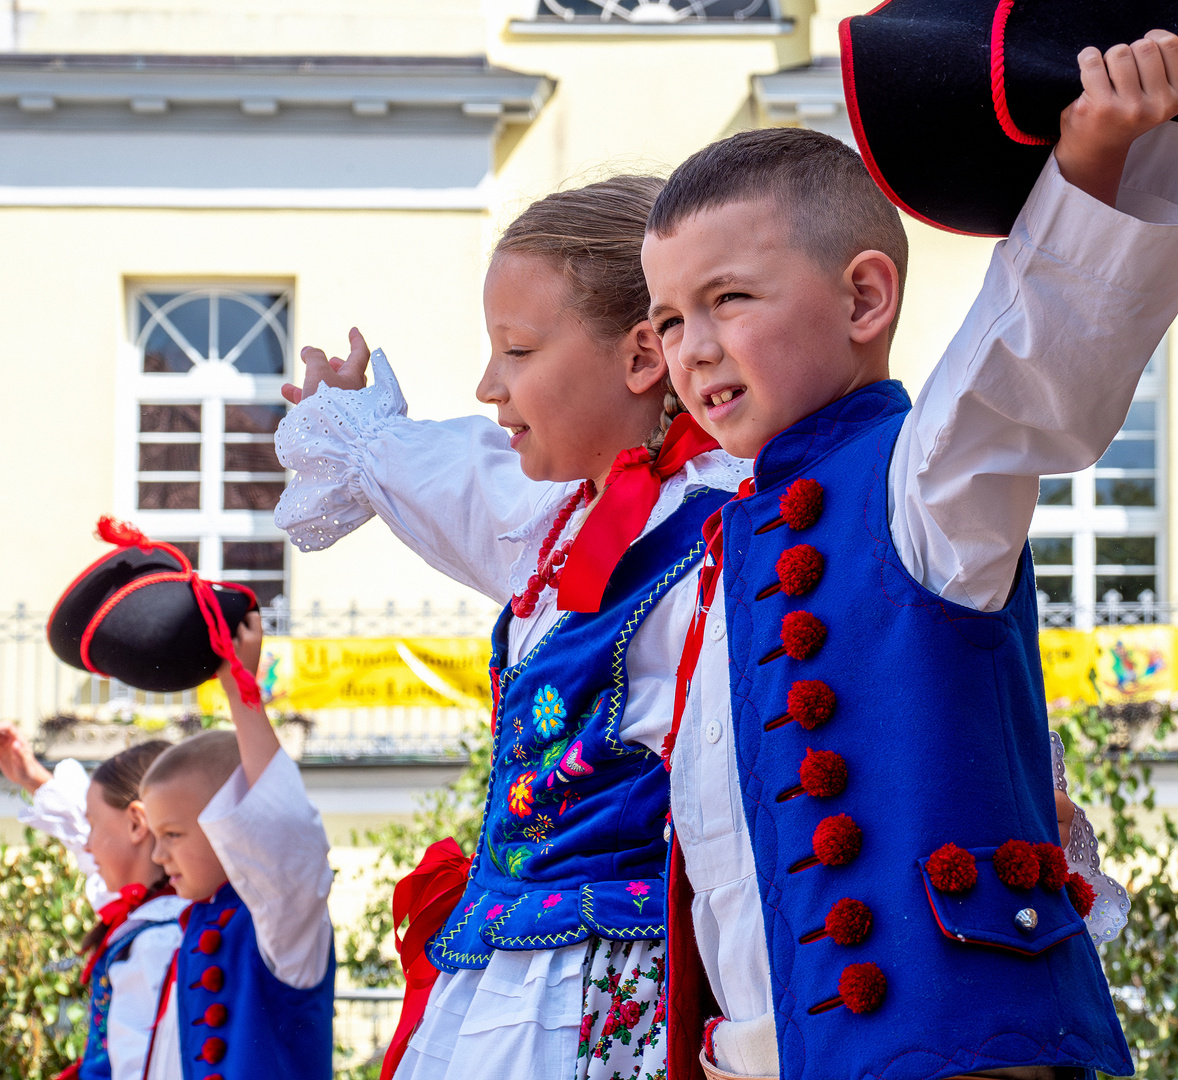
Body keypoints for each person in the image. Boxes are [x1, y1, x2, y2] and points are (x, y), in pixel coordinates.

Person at [640, 31, 1178, 1080]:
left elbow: (1027, 358)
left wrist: (1092, 169)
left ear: (865, 299)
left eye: (729, 299)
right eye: (668, 319)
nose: (692, 347)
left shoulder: (921, 477)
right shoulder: (719, 541)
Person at [273, 177, 749, 1080]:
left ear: (644, 353)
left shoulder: (729, 538)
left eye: (518, 350)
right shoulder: (559, 517)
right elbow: (443, 468)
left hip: (615, 984)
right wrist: (352, 426)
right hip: (505, 968)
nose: (489, 385)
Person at [138, 611, 335, 1080]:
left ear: (234, 821)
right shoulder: (196, 919)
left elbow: (284, 832)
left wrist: (241, 692)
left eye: (172, 835)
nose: (157, 856)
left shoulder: (282, 924)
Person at [0, 727, 186, 1080]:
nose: (88, 845)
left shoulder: (160, 940)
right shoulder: (153, 915)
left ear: (137, 823)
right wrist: (35, 779)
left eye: (94, 825)